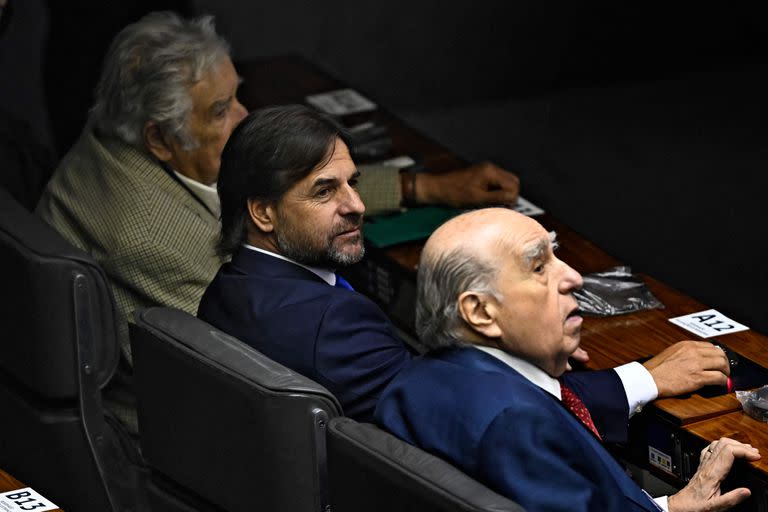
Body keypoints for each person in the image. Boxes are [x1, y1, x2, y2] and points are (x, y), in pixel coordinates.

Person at [199, 104, 729, 432]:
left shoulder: (227, 290)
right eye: (325, 192)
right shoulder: (330, 325)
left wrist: (517, 334)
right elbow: (471, 416)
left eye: (353, 183)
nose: (357, 206)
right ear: (262, 212)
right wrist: (640, 379)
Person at [36, 11, 519, 369]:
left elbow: (285, 182)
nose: (244, 116)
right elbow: (268, 355)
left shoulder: (115, 133)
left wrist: (421, 186)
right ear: (159, 138)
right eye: (221, 109)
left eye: (236, 95)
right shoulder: (150, 236)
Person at [374, 207, 759, 512]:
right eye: (539, 267)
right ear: (480, 312)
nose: (574, 276)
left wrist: (670, 507)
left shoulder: (413, 383)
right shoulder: (519, 424)